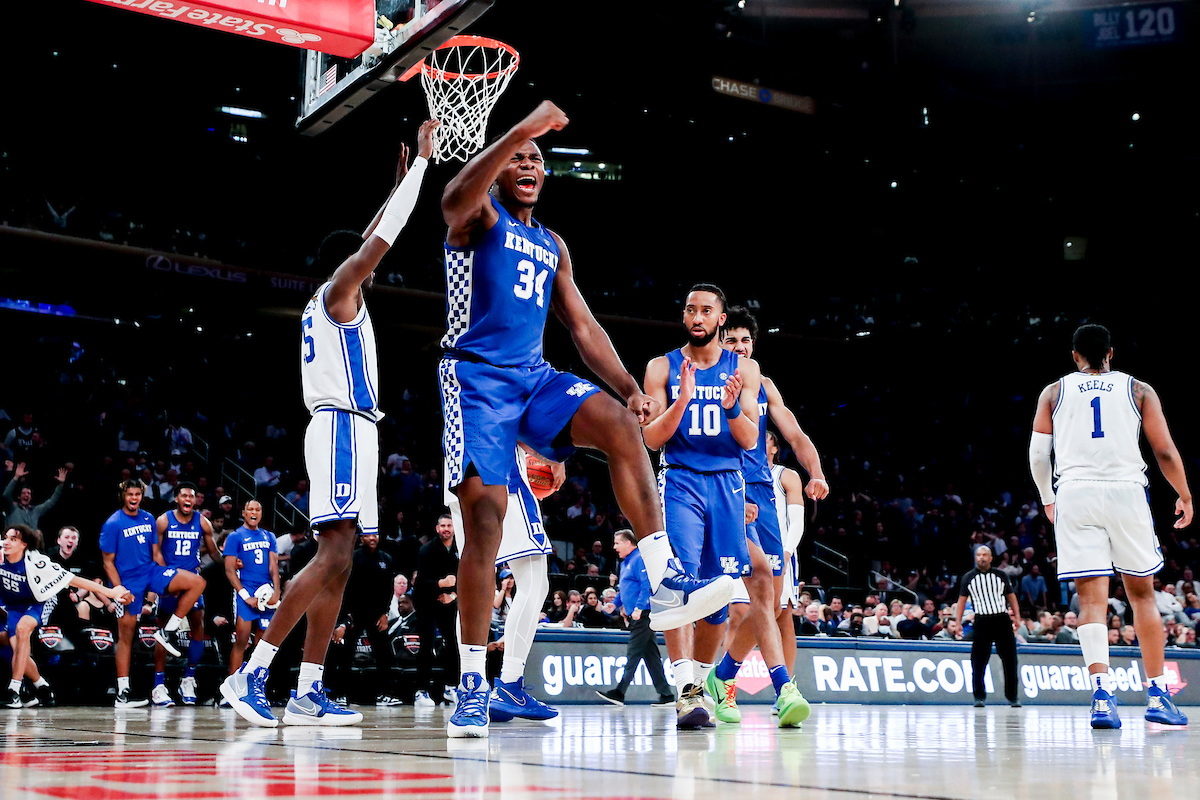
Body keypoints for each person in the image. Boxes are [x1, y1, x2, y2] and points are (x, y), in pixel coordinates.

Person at [437, 100, 733, 738]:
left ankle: (665, 577)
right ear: (496, 168)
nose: (529, 164)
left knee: (620, 426)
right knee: (485, 525)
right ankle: (470, 683)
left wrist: (629, 386)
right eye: (517, 157)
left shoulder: (551, 245)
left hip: (534, 378)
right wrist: (521, 128)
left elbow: (580, 324)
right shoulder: (478, 214)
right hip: (475, 380)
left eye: (538, 159)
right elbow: (452, 196)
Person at [220, 121, 436, 729]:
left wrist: (394, 187)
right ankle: (252, 672)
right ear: (346, 267)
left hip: (358, 431)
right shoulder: (338, 293)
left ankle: (308, 689)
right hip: (340, 427)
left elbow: (371, 237)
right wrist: (420, 168)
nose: (371, 269)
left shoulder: (344, 300)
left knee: (343, 559)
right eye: (361, 263)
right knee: (330, 553)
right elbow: (376, 245)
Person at [642, 284, 808, 729]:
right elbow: (652, 439)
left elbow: (751, 439)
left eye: (706, 310)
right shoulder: (661, 366)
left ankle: (703, 684)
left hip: (729, 485)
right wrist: (680, 400)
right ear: (684, 317)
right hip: (680, 478)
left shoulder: (745, 370)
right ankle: (686, 692)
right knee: (683, 585)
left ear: (720, 319)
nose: (697, 316)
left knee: (719, 593)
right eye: (690, 309)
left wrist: (733, 408)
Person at [1029, 323, 1192, 728]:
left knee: (1091, 603)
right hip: (1125, 492)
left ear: (1074, 356)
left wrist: (1048, 498)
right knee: (1142, 597)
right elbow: (1165, 451)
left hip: (1075, 493)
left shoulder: (1053, 391)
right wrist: (1185, 495)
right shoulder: (1139, 390)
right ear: (1111, 353)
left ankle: (1102, 697)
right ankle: (1157, 694)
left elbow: (1037, 456)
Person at [713, 310, 827, 700]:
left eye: (745, 341)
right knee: (738, 604)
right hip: (726, 486)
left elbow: (794, 433)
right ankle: (723, 685)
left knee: (775, 604)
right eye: (731, 340)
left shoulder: (765, 385)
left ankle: (722, 676)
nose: (739, 347)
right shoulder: (707, 381)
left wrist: (816, 472)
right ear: (718, 341)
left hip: (762, 489)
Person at [447, 445, 561, 722]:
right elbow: (513, 408)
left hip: (457, 470)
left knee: (476, 575)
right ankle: (510, 684)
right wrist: (551, 456)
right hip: (502, 467)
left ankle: (472, 684)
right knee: (533, 580)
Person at [2, 524, 133, 708]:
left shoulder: (37, 563)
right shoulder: (1, 556)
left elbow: (74, 579)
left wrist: (110, 593)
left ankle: (13, 691)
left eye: (12, 539)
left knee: (23, 629)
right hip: (13, 606)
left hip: (37, 602)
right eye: (5, 538)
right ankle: (42, 685)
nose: (6, 542)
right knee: (18, 652)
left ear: (24, 544)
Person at [101, 479, 206, 708]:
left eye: (137, 494)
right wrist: (118, 589)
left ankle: (167, 632)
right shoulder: (113, 523)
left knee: (197, 582)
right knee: (125, 636)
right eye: (130, 494)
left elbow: (155, 551)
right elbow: (108, 562)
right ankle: (123, 691)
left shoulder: (149, 518)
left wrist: (166, 579)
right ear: (123, 496)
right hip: (127, 582)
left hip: (150, 571)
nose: (134, 498)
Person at [151, 482, 218, 707]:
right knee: (164, 629)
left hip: (192, 580)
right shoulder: (163, 520)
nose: (188, 499)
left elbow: (214, 552)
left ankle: (188, 679)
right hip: (171, 580)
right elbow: (155, 552)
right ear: (177, 499)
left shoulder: (202, 522)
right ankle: (158, 686)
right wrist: (169, 575)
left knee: (198, 625)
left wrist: (232, 564)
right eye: (184, 495)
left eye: (192, 496)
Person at [596, 529, 675, 707]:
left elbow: (647, 584)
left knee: (633, 652)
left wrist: (640, 607)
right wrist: (615, 604)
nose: (614, 547)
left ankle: (619, 692)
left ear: (628, 543)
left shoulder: (639, 558)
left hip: (643, 613)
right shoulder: (625, 563)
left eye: (617, 543)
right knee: (651, 656)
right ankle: (666, 695)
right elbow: (626, 588)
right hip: (638, 613)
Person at [955, 544, 1021, 707]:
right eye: (978, 555)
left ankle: (1012, 697)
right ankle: (979, 696)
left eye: (985, 555)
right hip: (982, 620)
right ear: (975, 558)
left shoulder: (1001, 575)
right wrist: (957, 623)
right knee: (978, 661)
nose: (981, 558)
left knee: (1010, 660)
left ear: (991, 558)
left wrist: (1017, 617)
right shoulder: (968, 577)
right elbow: (961, 601)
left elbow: (1011, 596)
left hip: (1002, 619)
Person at [222, 500, 280, 676]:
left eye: (258, 509)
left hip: (265, 592)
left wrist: (276, 592)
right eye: (250, 509)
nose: (254, 512)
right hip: (245, 591)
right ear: (244, 513)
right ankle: (231, 686)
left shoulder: (269, 536)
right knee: (242, 639)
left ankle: (256, 686)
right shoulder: (235, 536)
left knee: (263, 644)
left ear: (261, 514)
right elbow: (229, 571)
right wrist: (246, 596)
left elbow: (273, 566)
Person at [414, 513, 460, 709]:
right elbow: (420, 584)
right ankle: (421, 690)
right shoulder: (426, 550)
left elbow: (467, 579)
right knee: (427, 643)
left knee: (454, 642)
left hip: (451, 601)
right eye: (442, 525)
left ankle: (451, 687)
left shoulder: (461, 548)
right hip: (427, 601)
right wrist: (440, 585)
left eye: (449, 525)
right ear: (437, 529)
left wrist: (453, 595)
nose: (446, 529)